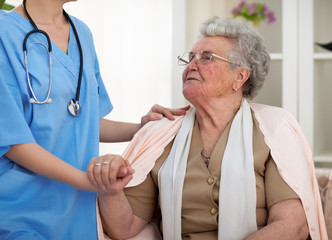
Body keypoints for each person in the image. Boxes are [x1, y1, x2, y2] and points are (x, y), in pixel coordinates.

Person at [88, 17, 328, 240]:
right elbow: (123, 228)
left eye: (206, 57)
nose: (191, 66)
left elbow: (292, 225)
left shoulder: (275, 129)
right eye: (190, 58)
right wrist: (110, 190)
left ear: (240, 76)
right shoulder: (161, 133)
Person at [0, 0, 188, 239]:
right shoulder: (4, 33)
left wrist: (144, 128)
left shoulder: (81, 33)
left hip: (81, 211)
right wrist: (92, 182)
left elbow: (84, 120)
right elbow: (13, 141)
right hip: (21, 207)